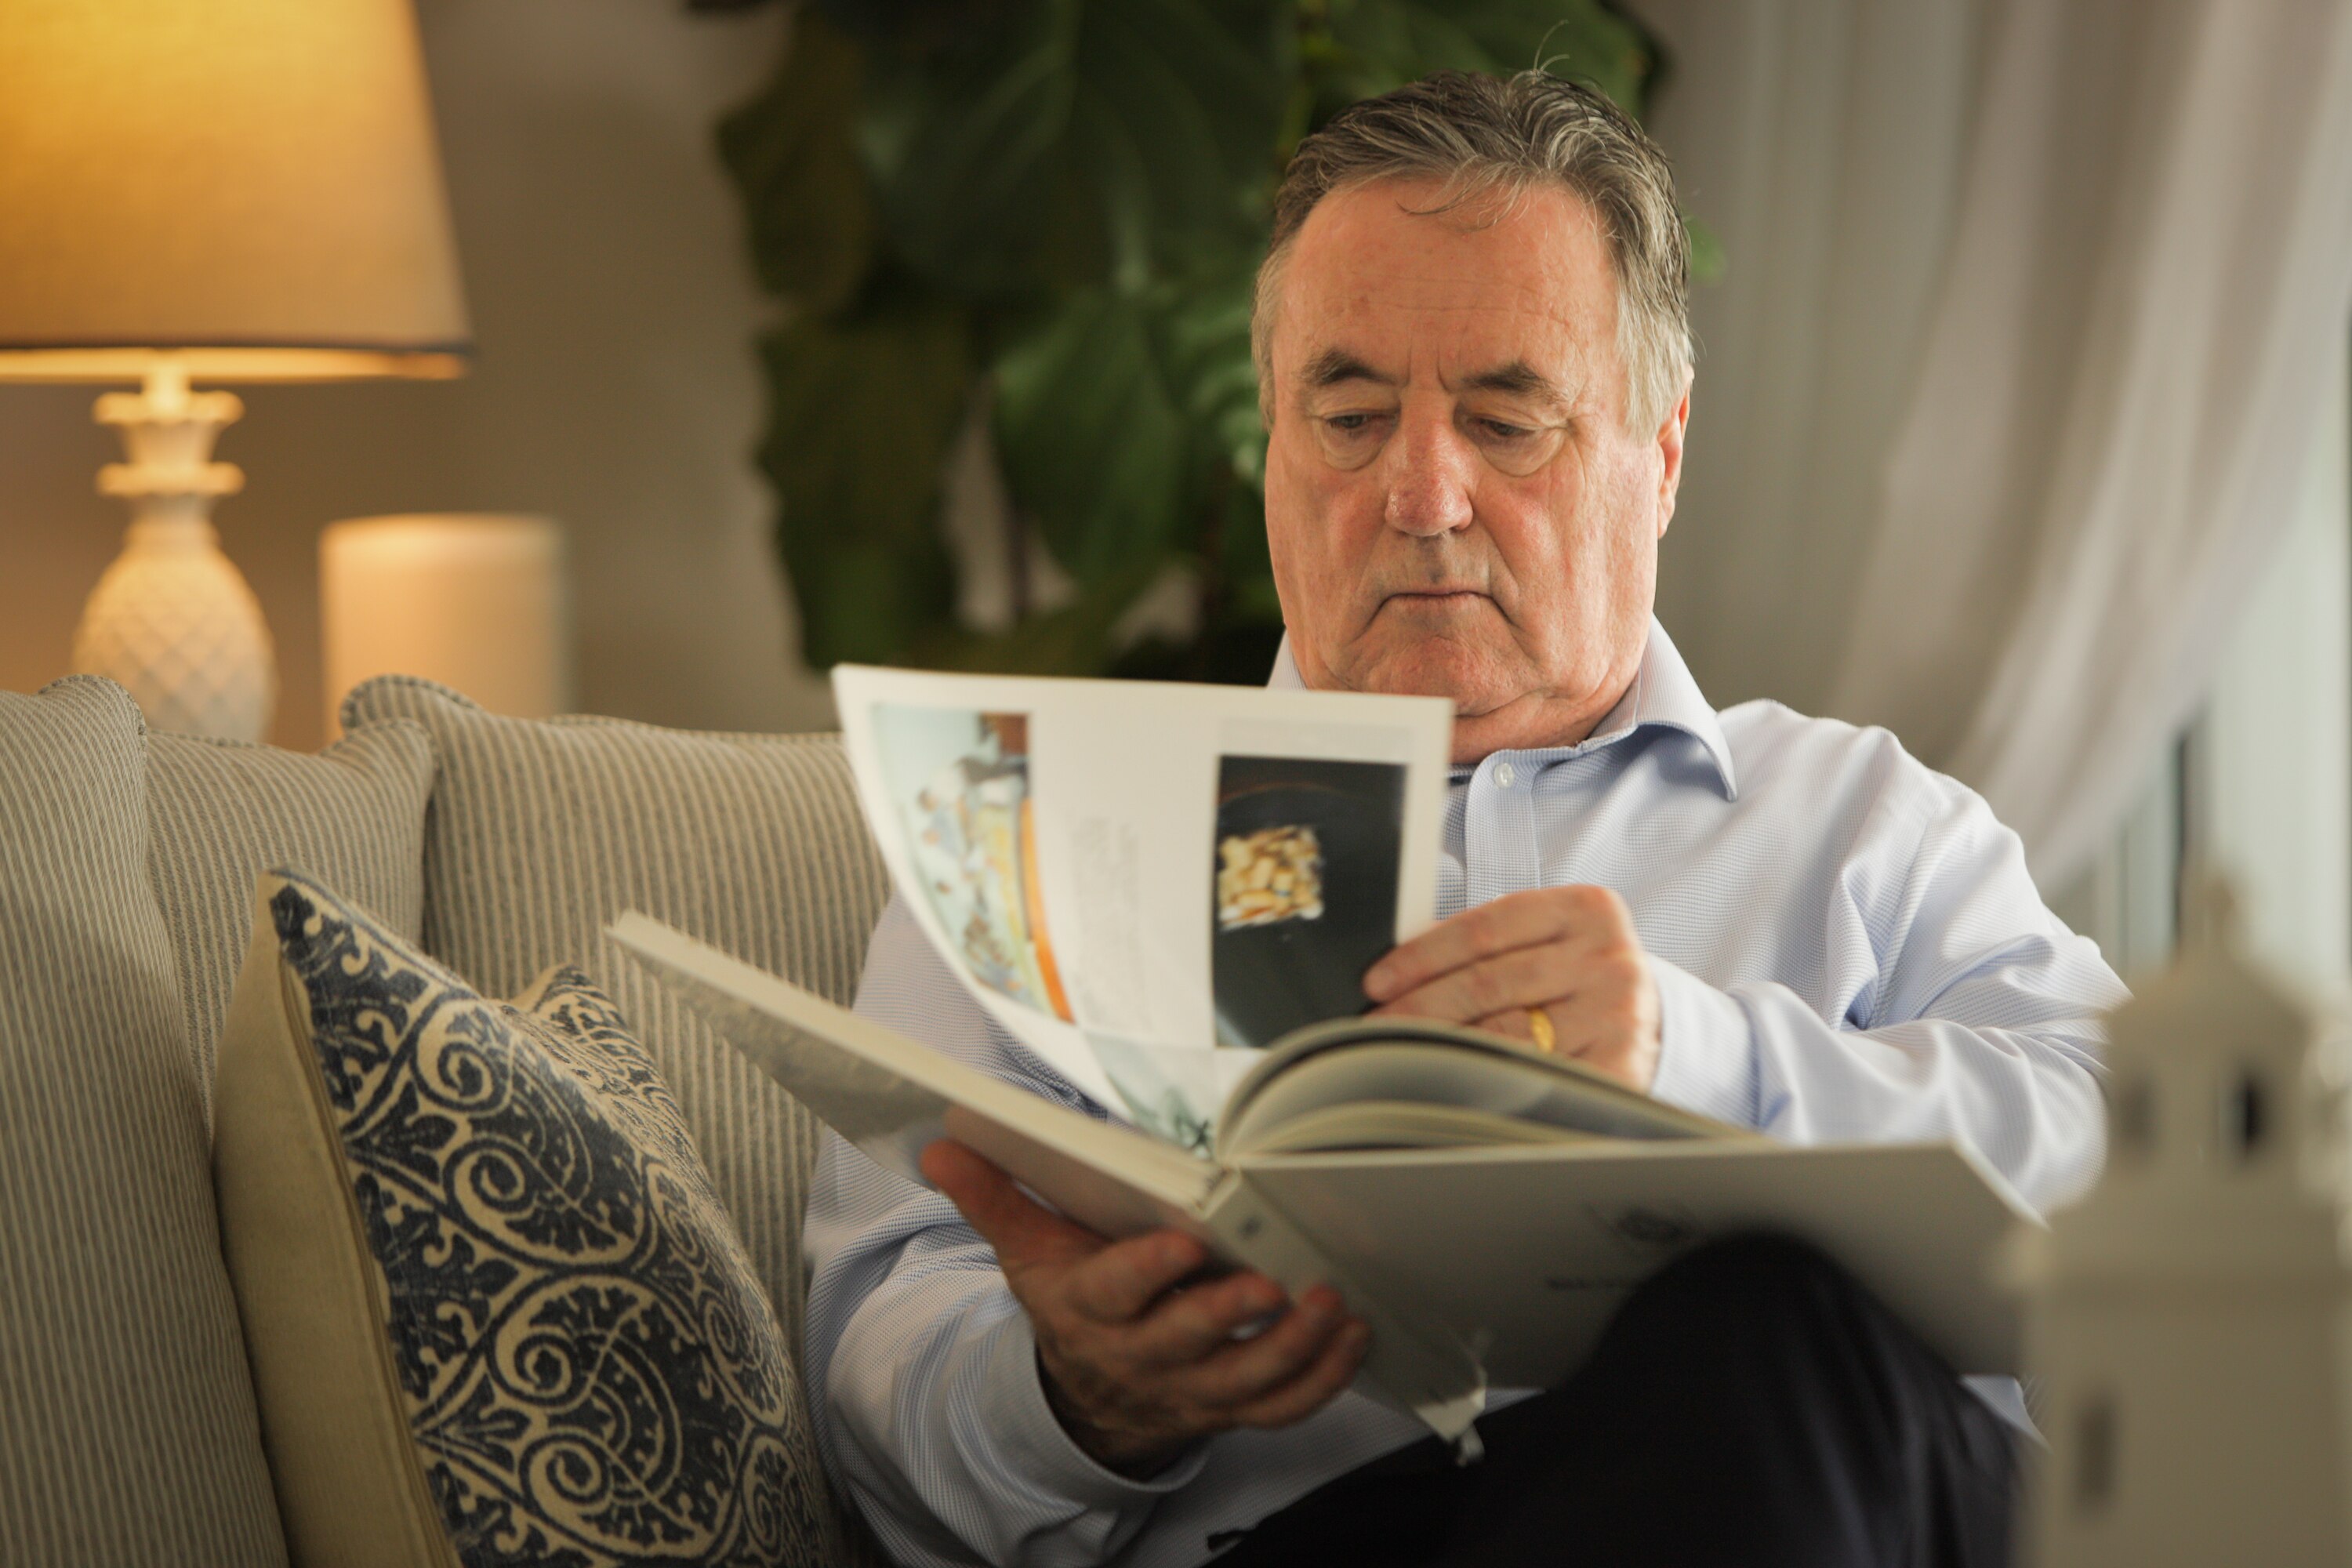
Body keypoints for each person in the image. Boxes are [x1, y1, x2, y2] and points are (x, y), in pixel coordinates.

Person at [804, 69, 2125, 1568]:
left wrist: (1705, 1063)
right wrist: (1076, 1402)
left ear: (1661, 456)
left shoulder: (1861, 822)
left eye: (1506, 422)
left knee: (1760, 1332)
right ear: (1273, 445)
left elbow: (2140, 1170)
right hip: (1326, 1540)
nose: (1422, 497)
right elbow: (876, 1366)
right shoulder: (1039, 837)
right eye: (1349, 416)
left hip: (1807, 1471)